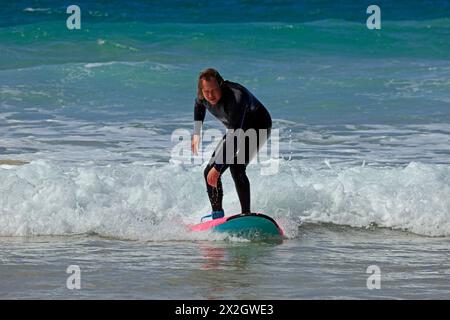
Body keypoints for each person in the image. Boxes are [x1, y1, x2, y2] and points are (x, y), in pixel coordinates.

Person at [192, 68, 272, 221]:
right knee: (208, 172)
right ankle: (217, 216)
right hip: (236, 128)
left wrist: (218, 167)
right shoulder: (203, 96)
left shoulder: (236, 97)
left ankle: (246, 215)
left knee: (236, 166)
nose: (210, 95)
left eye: (214, 90)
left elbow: (236, 137)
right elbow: (198, 106)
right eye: (206, 91)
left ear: (221, 85)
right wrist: (197, 133)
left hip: (258, 127)